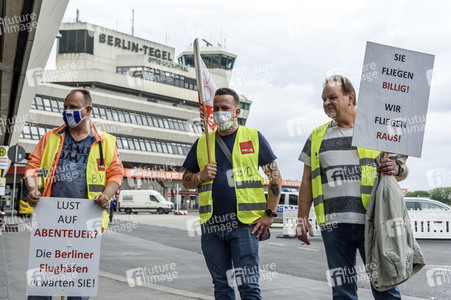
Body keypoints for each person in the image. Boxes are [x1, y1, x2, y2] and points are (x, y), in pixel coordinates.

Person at [296, 75, 408, 300]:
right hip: (334, 226)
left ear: (350, 97)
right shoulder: (317, 136)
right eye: (324, 99)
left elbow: (403, 173)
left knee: (385, 287)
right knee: (342, 291)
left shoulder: (377, 131)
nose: (327, 103)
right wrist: (302, 218)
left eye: (332, 97)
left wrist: (397, 168)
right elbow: (307, 181)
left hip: (374, 222)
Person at [182, 87, 282, 300]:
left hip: (245, 225)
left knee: (249, 286)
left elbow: (275, 178)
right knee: (221, 286)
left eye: (225, 108)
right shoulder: (202, 142)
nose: (220, 112)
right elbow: (186, 180)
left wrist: (269, 215)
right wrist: (200, 176)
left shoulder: (253, 137)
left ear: (237, 112)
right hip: (212, 226)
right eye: (216, 108)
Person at [24, 89, 123, 300]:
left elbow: (115, 174)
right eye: (65, 106)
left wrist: (106, 195)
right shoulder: (51, 137)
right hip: (50, 220)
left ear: (88, 110)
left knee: (78, 286)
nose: (68, 111)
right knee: (42, 285)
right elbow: (32, 167)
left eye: (73, 107)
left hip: (86, 222)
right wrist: (33, 189)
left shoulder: (106, 142)